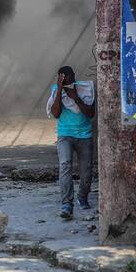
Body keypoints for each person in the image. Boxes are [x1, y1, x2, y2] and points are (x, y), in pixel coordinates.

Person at [47, 66, 95, 220]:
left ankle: (82, 197)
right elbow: (55, 113)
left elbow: (90, 113)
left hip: (84, 135)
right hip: (65, 134)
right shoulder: (56, 90)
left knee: (86, 170)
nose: (66, 79)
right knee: (65, 166)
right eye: (62, 77)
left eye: (68, 76)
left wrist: (75, 97)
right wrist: (60, 89)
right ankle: (67, 204)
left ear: (74, 76)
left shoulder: (84, 89)